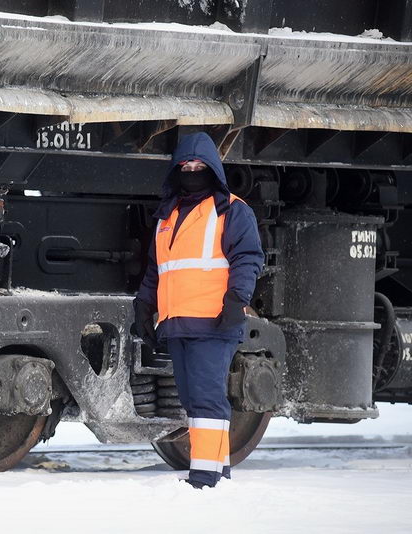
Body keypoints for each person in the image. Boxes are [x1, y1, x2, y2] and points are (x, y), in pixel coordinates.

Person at [133, 132, 264, 489]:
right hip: (176, 323)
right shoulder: (166, 217)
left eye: (199, 166)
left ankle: (204, 477)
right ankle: (218, 468)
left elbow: (247, 258)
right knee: (192, 400)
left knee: (207, 399)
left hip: (214, 321)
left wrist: (236, 302)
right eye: (185, 166)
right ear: (177, 170)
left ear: (213, 170)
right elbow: (156, 270)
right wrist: (144, 306)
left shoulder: (232, 210)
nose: (192, 171)